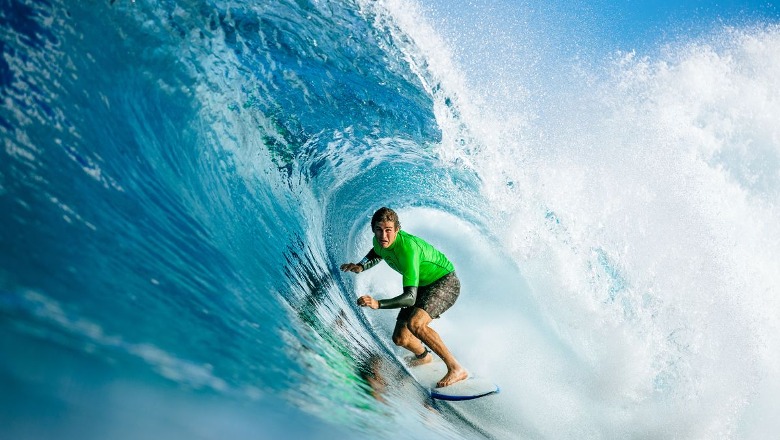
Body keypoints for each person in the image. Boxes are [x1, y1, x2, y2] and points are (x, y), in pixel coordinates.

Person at [340, 207, 468, 388]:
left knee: (416, 324)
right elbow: (377, 252)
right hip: (422, 285)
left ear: (397, 230)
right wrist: (361, 266)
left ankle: (456, 368)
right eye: (379, 230)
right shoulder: (379, 241)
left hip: (444, 282)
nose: (383, 235)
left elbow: (409, 297)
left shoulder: (408, 250)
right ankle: (424, 357)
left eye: (388, 231)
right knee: (401, 339)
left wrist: (378, 303)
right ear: (374, 229)